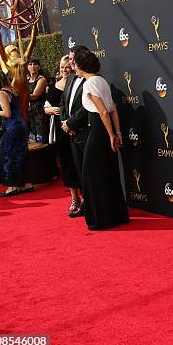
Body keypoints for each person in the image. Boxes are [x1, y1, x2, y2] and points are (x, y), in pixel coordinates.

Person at [72, 48, 129, 230]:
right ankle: (116, 215)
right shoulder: (101, 80)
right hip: (106, 130)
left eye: (75, 64)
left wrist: (111, 135)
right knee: (108, 173)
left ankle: (101, 219)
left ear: (81, 66)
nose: (73, 67)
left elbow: (104, 111)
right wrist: (117, 133)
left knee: (91, 175)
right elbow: (113, 110)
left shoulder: (89, 84)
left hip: (98, 131)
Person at [0, 69, 34, 197]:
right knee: (20, 154)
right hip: (20, 125)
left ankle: (12, 187)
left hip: (12, 127)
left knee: (7, 155)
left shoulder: (2, 93)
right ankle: (24, 184)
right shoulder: (12, 89)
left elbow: (7, 114)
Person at [45, 55, 82, 215]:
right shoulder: (54, 86)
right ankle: (74, 198)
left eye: (67, 66)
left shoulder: (78, 83)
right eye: (62, 67)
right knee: (67, 164)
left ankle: (86, 197)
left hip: (77, 131)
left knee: (80, 164)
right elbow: (45, 107)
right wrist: (50, 110)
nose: (64, 70)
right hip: (61, 132)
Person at [60, 45, 90, 217]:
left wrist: (71, 123)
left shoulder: (90, 79)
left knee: (87, 171)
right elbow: (64, 103)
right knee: (78, 170)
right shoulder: (71, 78)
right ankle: (84, 202)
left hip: (85, 132)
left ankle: (89, 204)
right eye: (69, 59)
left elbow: (87, 107)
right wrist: (65, 123)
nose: (71, 62)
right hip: (71, 134)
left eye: (73, 59)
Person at [27, 59, 49, 143]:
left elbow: (35, 96)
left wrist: (21, 96)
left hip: (39, 111)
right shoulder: (26, 79)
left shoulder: (41, 79)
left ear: (39, 67)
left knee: (41, 136)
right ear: (27, 67)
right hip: (29, 112)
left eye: (35, 64)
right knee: (32, 136)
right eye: (30, 64)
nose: (33, 66)